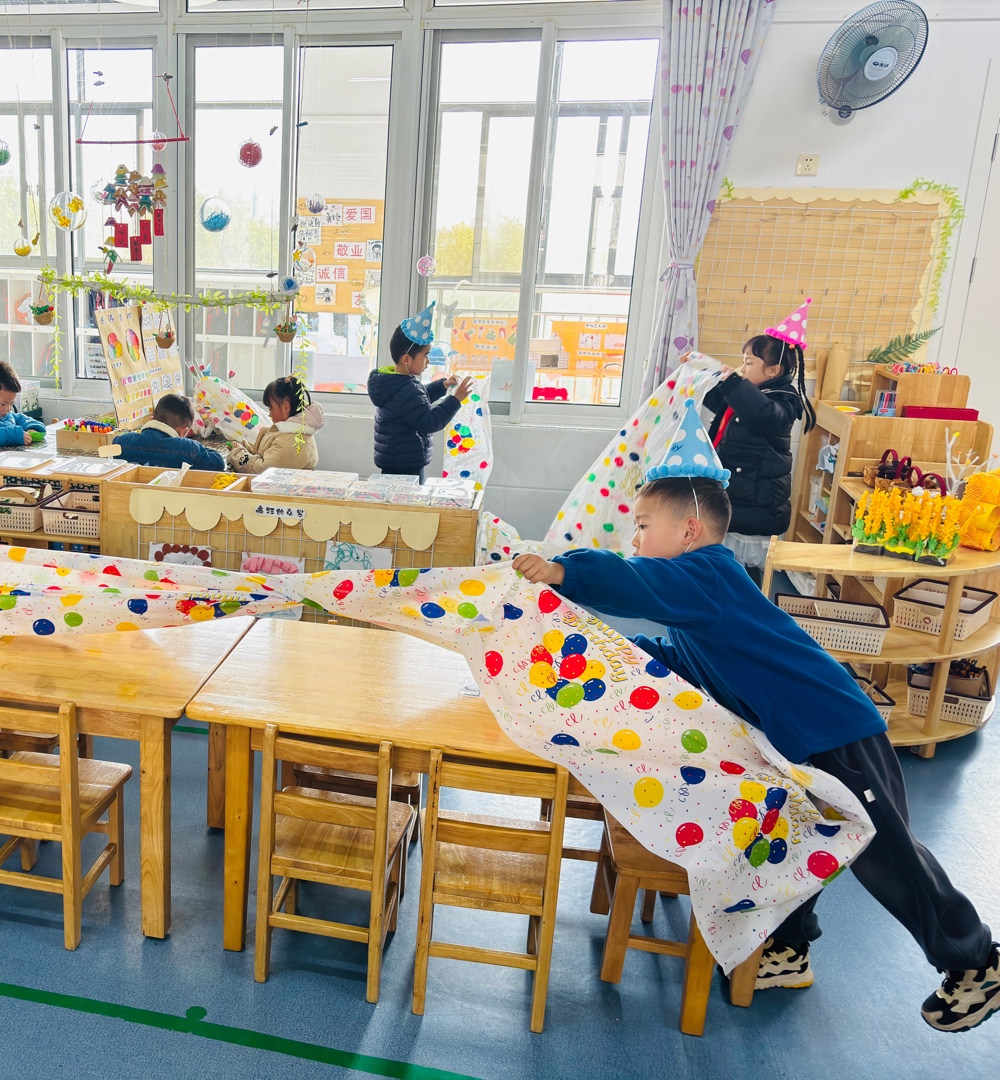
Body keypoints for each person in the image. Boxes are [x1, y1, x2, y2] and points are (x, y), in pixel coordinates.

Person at [512, 401, 999, 1033]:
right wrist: (598, 649)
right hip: (800, 738)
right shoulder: (699, 593)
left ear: (689, 530)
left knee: (888, 855)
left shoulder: (705, 575)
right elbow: (675, 655)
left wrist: (563, 570)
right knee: (803, 836)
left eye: (643, 526)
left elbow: (634, 582)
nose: (635, 540)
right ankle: (790, 951)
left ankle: (976, 962)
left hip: (834, 730)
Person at [703, 297, 816, 540]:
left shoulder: (784, 399)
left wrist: (734, 383)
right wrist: (699, 374)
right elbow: (721, 403)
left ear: (773, 371)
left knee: (743, 556)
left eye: (749, 362)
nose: (743, 368)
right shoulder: (752, 393)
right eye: (742, 362)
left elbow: (762, 414)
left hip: (758, 507)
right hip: (738, 497)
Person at [368, 301, 473, 480]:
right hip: (406, 466)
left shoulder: (395, 383)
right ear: (407, 359)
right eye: (426, 355)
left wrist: (442, 385)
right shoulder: (406, 389)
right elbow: (430, 422)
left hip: (395, 460)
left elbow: (417, 401)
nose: (428, 361)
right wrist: (455, 400)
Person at [227, 376, 325, 474]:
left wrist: (238, 454)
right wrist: (243, 447)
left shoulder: (289, 443)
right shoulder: (288, 432)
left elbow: (260, 470)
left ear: (286, 407)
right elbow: (265, 453)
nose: (269, 414)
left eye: (271, 408)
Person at [114, 393, 226, 471]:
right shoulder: (188, 449)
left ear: (151, 420)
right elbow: (218, 463)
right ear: (183, 432)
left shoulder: (121, 442)